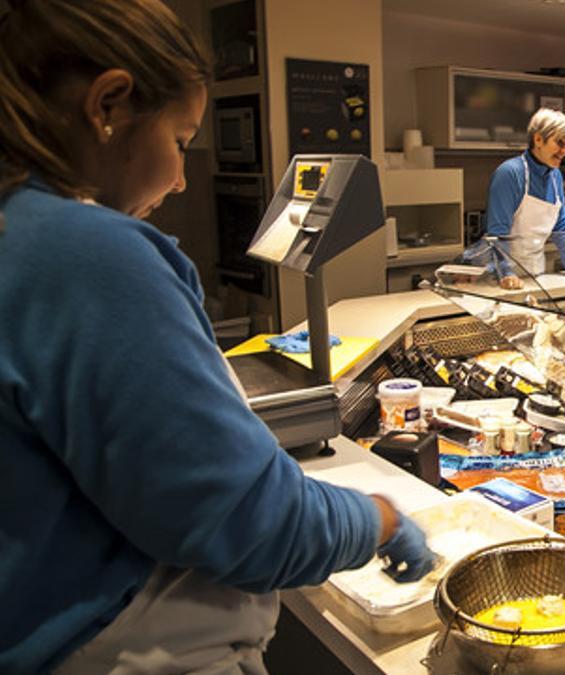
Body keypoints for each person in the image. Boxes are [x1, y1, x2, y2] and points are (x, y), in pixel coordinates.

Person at [0, 2, 432, 672]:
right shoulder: (85, 253)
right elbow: (247, 521)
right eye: (179, 141)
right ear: (107, 104)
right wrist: (377, 516)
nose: (178, 181)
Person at [484, 108, 565, 289]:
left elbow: (561, 227)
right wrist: (505, 274)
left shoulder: (555, 175)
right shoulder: (510, 173)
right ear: (538, 139)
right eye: (560, 143)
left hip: (537, 275)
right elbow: (497, 234)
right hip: (501, 279)